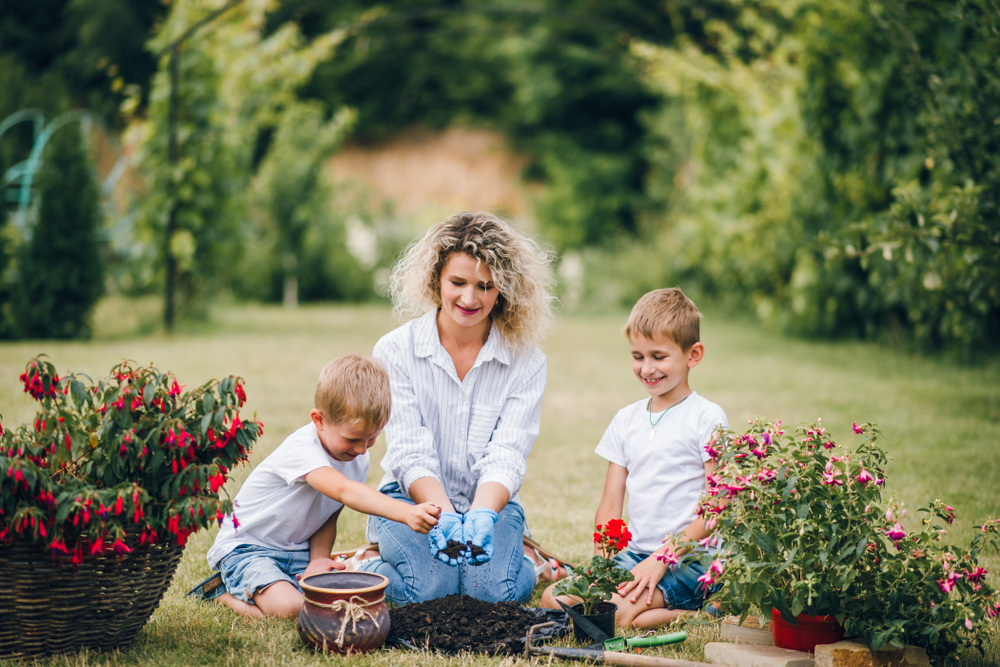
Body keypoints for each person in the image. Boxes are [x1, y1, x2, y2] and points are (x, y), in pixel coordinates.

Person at [356, 211, 557, 605]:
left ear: (503, 289)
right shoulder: (395, 351)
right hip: (410, 499)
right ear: (436, 280)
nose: (469, 298)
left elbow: (507, 454)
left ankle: (529, 560)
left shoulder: (527, 361)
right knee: (428, 591)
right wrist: (444, 513)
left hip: (489, 504)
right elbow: (408, 448)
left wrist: (482, 514)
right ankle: (366, 563)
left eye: (484, 286)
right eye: (458, 282)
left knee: (491, 594)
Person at [193, 354, 441, 618]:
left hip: (296, 551)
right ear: (319, 420)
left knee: (341, 595)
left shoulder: (356, 457)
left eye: (371, 439)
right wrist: (405, 513)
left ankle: (290, 580)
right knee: (292, 608)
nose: (361, 449)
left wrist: (318, 561)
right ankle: (220, 593)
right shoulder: (302, 450)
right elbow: (344, 491)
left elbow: (328, 514)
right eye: (353, 439)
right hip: (248, 549)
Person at [541, 288, 728, 628]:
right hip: (635, 555)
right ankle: (653, 613)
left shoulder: (707, 418)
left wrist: (661, 559)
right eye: (638, 356)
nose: (647, 368)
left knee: (612, 618)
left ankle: (693, 613)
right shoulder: (626, 420)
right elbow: (610, 505)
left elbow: (716, 509)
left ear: (693, 354)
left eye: (659, 356)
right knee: (554, 599)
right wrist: (602, 566)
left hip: (690, 559)